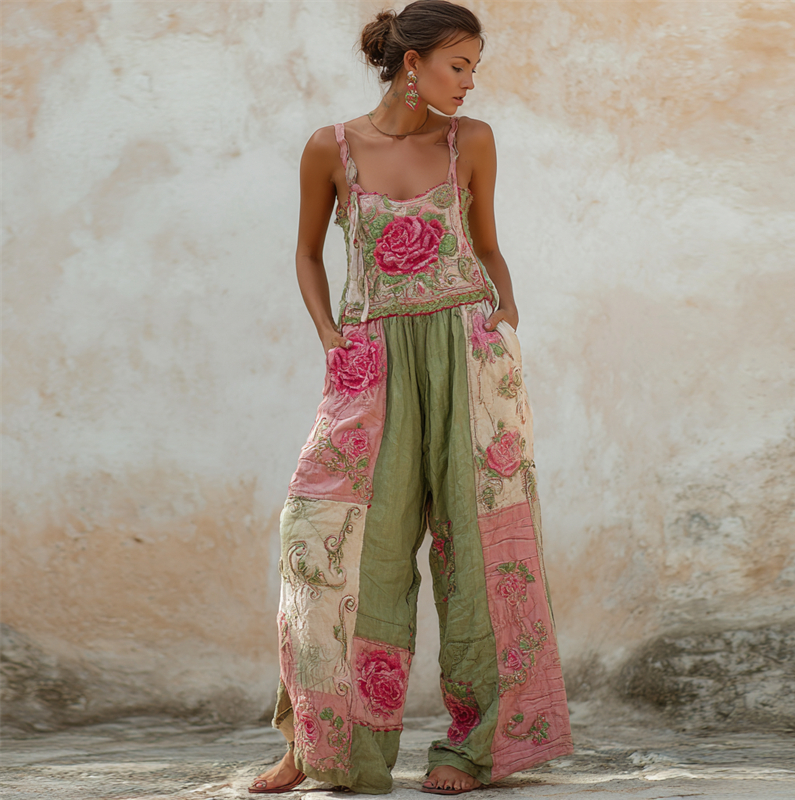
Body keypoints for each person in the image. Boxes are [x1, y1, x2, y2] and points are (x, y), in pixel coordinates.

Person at [249, 1, 573, 795]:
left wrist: (506, 308)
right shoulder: (330, 147)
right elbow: (307, 252)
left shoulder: (472, 141)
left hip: (469, 358)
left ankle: (472, 750)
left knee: (482, 548)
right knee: (328, 540)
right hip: (371, 360)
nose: (470, 82)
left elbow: (487, 245)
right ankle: (322, 743)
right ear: (412, 63)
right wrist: (331, 336)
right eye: (459, 65)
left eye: (474, 67)